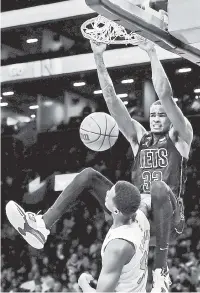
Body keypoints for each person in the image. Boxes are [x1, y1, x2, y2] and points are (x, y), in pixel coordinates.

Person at [6, 39, 193, 292]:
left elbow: (165, 94)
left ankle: (160, 271)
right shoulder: (140, 138)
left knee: (159, 187)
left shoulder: (180, 137)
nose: (158, 118)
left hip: (166, 217)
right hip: (134, 210)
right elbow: (111, 99)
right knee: (88, 175)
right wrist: (99, 58)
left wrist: (151, 52)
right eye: (154, 114)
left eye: (163, 114)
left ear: (172, 118)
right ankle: (42, 227)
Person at [78, 181, 150, 292]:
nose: (106, 192)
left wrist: (83, 284)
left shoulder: (118, 245)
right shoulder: (140, 215)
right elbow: (147, 200)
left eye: (110, 194)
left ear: (116, 210)